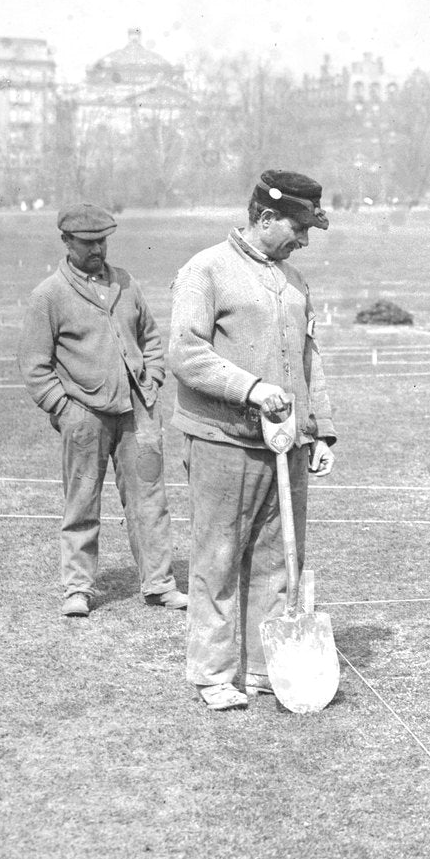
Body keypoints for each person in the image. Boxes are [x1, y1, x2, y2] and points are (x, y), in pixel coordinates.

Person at [168, 171, 337, 711]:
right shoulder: (205, 270)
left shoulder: (294, 281)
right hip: (224, 440)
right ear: (265, 218)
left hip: (286, 444)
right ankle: (213, 674)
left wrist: (320, 430)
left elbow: (311, 359)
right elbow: (186, 354)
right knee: (217, 560)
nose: (305, 241)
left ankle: (266, 666)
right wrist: (251, 388)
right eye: (298, 228)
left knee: (277, 562)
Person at [17, 203, 185, 618]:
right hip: (84, 416)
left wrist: (154, 377)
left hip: (138, 411)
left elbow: (150, 337)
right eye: (87, 243)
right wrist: (65, 409)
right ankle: (77, 589)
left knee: (149, 499)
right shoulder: (48, 296)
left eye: (102, 242)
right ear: (66, 242)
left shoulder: (125, 283)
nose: (97, 250)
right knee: (82, 501)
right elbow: (35, 366)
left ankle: (159, 584)